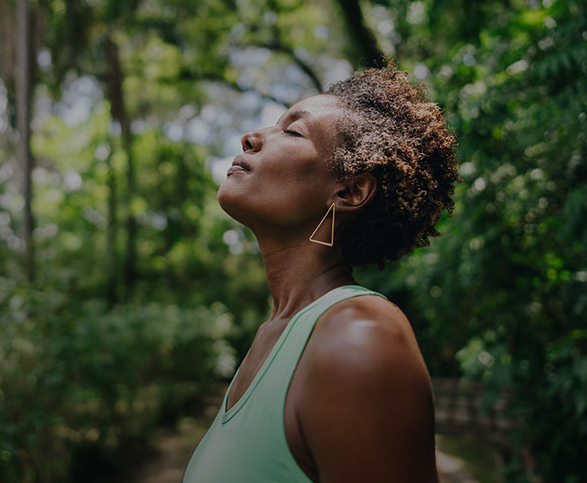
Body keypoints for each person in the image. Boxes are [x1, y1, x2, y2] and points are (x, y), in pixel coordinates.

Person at [184, 67, 460, 482]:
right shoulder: (273, 335)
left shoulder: (358, 334)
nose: (251, 137)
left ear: (349, 192)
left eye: (293, 132)